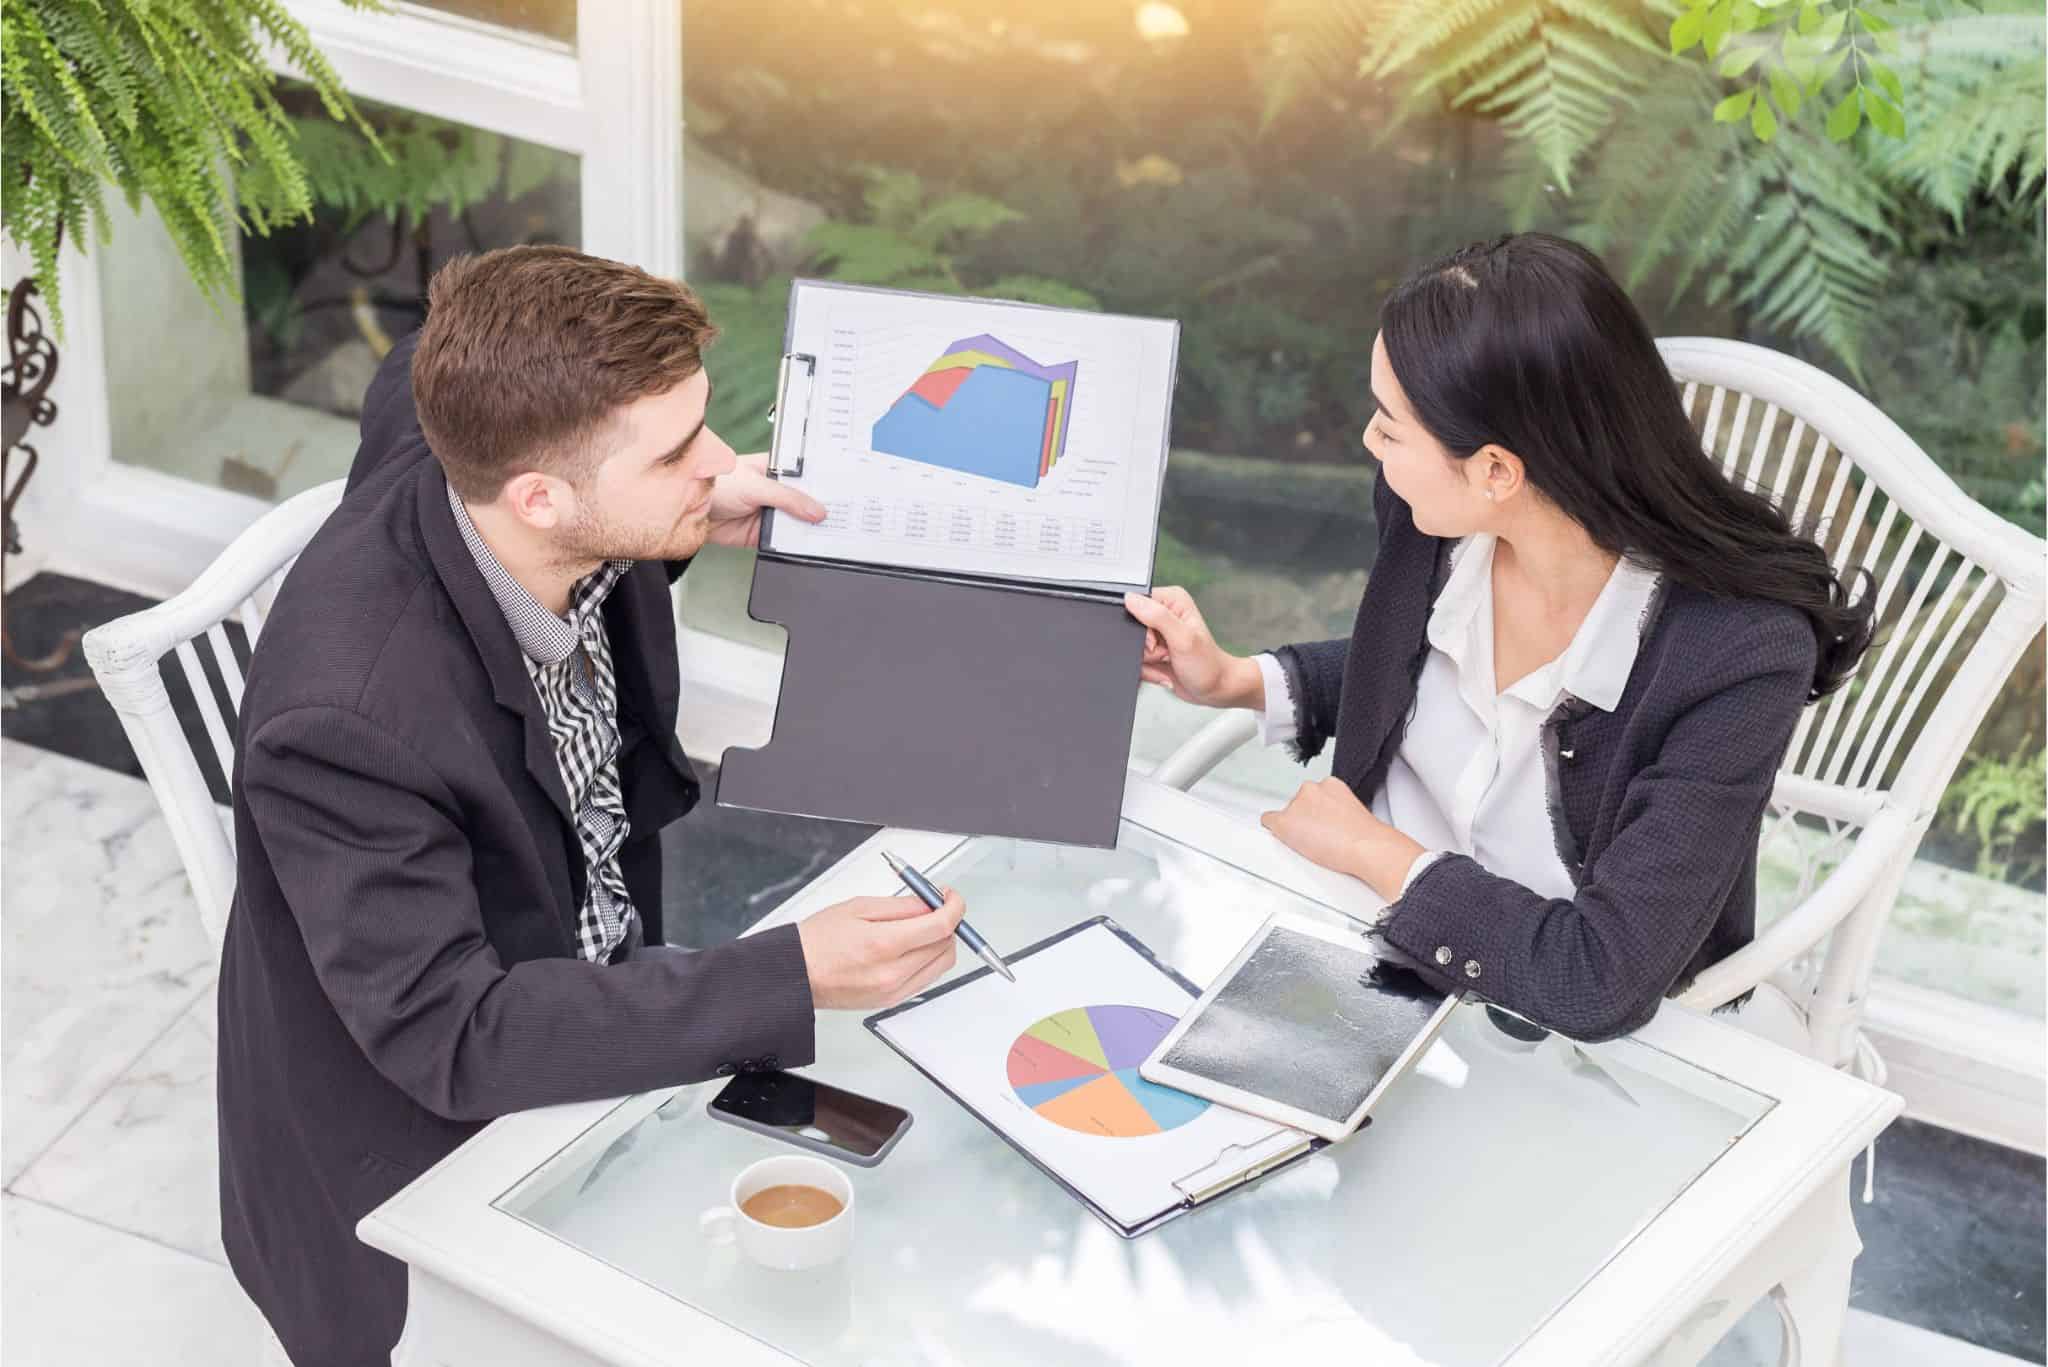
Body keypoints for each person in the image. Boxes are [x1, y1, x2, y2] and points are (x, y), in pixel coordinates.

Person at [217, 246, 966, 1366]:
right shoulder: (343, 725)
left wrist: (674, 517)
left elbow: (417, 358)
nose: (722, 465)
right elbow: (456, 1036)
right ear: (538, 497)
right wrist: (792, 974)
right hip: (429, 1143)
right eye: (676, 453)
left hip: (592, 965)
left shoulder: (469, 416)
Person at [1126, 232, 1874, 1043]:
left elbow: (1600, 979)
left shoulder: (1740, 654)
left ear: (1495, 471)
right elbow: (1413, 666)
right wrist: (1232, 679)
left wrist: (1373, 850)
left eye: (1389, 426)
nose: (1371, 443)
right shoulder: (1431, 520)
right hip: (1354, 947)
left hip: (1563, 1041)